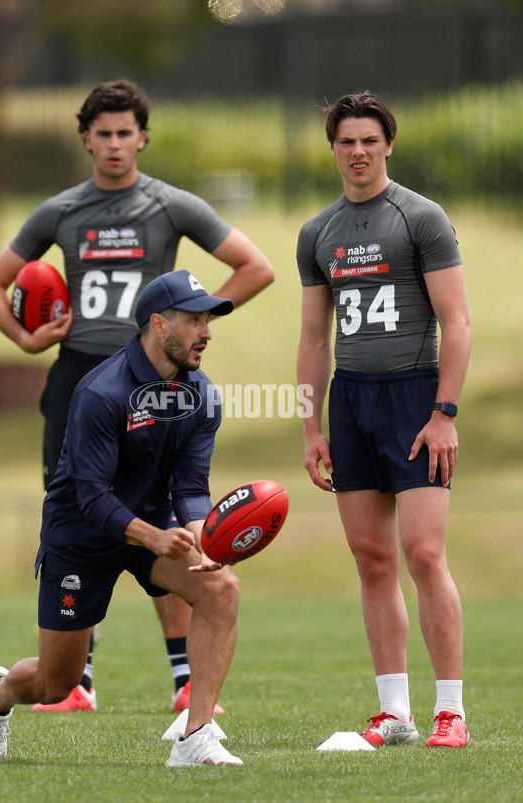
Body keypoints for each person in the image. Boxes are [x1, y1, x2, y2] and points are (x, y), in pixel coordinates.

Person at [0, 78, 274, 713]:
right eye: (103, 133)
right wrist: (28, 340)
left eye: (125, 132)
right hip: (84, 381)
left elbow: (257, 267)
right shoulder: (60, 210)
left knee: (162, 513)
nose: (114, 144)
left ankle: (183, 681)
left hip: (157, 382)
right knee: (86, 508)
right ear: (87, 140)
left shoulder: (170, 206)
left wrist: (194, 327)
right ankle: (76, 680)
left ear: (142, 138)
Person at [0, 270, 244, 766]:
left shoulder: (202, 396)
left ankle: (196, 734)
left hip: (152, 528)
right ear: (158, 325)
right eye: (195, 320)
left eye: (209, 321)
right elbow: (91, 497)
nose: (207, 332)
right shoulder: (102, 392)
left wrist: (205, 539)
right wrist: (155, 537)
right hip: (81, 536)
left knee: (221, 587)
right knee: (57, 683)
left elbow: (190, 485)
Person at [296, 91, 472, 748]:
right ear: (334, 148)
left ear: (388, 144)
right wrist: (311, 428)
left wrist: (444, 412)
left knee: (424, 552)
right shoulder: (318, 233)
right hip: (351, 402)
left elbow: (456, 321)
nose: (359, 151)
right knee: (372, 558)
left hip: (414, 398)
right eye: (347, 141)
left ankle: (449, 709)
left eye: (370, 140)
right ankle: (394, 711)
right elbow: (314, 340)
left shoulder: (421, 218)